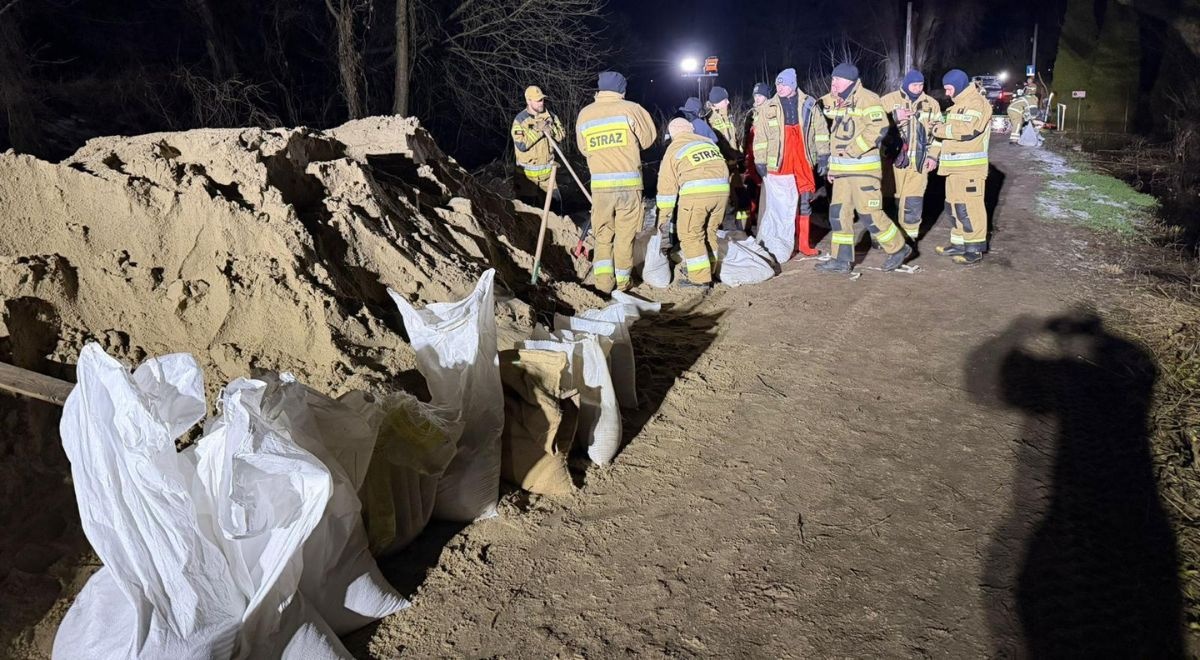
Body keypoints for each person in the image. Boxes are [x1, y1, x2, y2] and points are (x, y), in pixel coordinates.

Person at [818, 62, 912, 274]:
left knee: (869, 213)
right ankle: (841, 259)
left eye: (837, 80)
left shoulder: (868, 99)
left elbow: (879, 127)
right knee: (838, 214)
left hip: (863, 171)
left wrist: (854, 149)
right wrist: (833, 167)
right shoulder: (841, 102)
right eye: (832, 79)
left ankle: (899, 248)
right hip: (842, 173)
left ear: (849, 81)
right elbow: (836, 138)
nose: (833, 83)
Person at [575, 71, 657, 291]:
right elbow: (649, 140)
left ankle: (603, 284)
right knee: (624, 236)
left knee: (602, 236)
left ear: (600, 89)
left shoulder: (585, 115)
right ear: (622, 90)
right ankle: (623, 282)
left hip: (601, 189)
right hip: (629, 188)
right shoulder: (631, 109)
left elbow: (583, 148)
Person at [752, 68, 829, 263]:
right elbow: (760, 137)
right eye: (777, 84)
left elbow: (820, 131)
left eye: (783, 84)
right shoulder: (767, 108)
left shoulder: (810, 104)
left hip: (802, 161)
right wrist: (759, 160)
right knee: (780, 206)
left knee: (804, 203)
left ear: (793, 85)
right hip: (779, 164)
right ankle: (781, 242)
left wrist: (824, 155)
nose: (780, 87)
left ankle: (803, 244)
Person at [656, 118, 730, 287]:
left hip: (697, 194)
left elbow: (667, 188)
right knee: (710, 232)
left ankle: (700, 279)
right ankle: (711, 271)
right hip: (721, 192)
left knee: (690, 235)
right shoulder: (707, 142)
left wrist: (662, 217)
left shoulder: (674, 148)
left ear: (673, 134)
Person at [929, 69, 992, 264]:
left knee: (970, 208)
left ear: (959, 86)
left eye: (949, 89)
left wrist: (938, 128)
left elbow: (969, 130)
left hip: (970, 170)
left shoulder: (977, 103)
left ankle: (973, 249)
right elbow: (942, 137)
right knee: (953, 207)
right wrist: (933, 155)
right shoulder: (955, 107)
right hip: (953, 170)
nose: (947, 93)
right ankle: (958, 243)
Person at [881, 70, 941, 241]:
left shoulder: (932, 104)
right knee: (888, 199)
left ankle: (909, 238)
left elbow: (938, 134)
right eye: (914, 85)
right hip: (892, 163)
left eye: (921, 85)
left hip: (919, 163)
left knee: (913, 201)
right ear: (906, 84)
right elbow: (872, 125)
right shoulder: (888, 100)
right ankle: (883, 237)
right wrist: (893, 117)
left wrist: (933, 156)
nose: (918, 88)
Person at [510, 85, 566, 203]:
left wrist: (550, 129)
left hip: (548, 177)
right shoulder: (520, 121)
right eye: (538, 100)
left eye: (542, 99)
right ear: (528, 101)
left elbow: (561, 136)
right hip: (527, 179)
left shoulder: (550, 116)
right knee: (529, 215)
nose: (542, 103)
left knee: (556, 208)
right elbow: (521, 145)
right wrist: (538, 131)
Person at [743, 82, 772, 232]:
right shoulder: (751, 114)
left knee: (766, 199)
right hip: (752, 164)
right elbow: (746, 138)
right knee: (750, 198)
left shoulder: (772, 112)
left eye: (760, 95)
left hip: (767, 163)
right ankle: (746, 228)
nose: (757, 98)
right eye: (755, 95)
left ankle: (763, 229)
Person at [1007, 80, 1039, 145]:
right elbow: (1032, 112)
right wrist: (1033, 120)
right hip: (1015, 110)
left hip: (1014, 110)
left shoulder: (1028, 97)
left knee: (1019, 124)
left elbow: (1027, 111)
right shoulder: (1032, 99)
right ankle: (1013, 141)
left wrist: (1028, 119)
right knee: (1018, 124)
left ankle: (1017, 139)